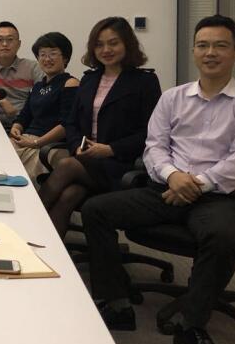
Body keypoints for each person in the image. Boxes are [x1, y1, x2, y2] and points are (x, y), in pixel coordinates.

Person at [83, 15, 235, 344]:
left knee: (225, 235)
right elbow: (154, 147)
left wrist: (194, 184)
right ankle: (116, 303)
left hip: (217, 196)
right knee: (96, 210)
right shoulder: (173, 98)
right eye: (203, 45)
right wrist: (173, 177)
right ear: (194, 51)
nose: (210, 53)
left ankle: (191, 327)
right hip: (166, 188)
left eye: (220, 46)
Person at [38, 17, 161, 238]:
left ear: (127, 44)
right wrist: (76, 146)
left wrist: (110, 149)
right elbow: (72, 123)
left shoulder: (145, 82)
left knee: (66, 166)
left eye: (113, 43)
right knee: (69, 195)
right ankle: (45, 251)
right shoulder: (89, 79)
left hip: (121, 163)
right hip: (86, 160)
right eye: (99, 44)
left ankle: (27, 223)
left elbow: (151, 132)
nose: (106, 50)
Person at [8, 32, 80, 182]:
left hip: (50, 144)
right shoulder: (38, 86)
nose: (47, 59)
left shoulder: (70, 83)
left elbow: (66, 124)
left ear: (65, 58)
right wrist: (17, 127)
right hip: (27, 140)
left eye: (53, 54)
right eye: (42, 55)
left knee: (18, 174)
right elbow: (25, 115)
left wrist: (36, 143)